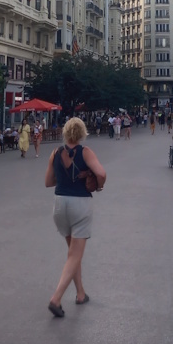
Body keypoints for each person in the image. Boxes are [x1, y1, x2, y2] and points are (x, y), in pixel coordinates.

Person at [44, 117, 106, 318]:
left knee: (73, 253)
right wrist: (98, 184)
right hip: (80, 204)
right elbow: (102, 173)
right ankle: (56, 298)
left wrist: (64, 178)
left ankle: (80, 294)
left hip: (60, 204)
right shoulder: (85, 152)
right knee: (75, 254)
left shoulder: (55, 153)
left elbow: (48, 181)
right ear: (81, 133)